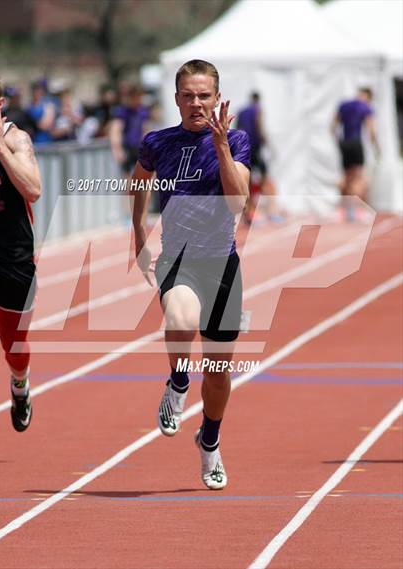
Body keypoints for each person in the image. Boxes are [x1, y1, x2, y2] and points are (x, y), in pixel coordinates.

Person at [131, 60, 250, 489]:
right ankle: (178, 381)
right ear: (176, 97)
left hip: (221, 263)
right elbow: (139, 181)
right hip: (178, 258)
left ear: (217, 97)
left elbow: (238, 203)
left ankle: (210, 442)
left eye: (204, 95)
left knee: (218, 374)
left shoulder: (236, 140)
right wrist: (138, 233)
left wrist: (219, 147)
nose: (196, 102)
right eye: (188, 95)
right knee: (179, 321)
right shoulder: (157, 142)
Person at [0, 69, 41, 431]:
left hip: (15, 257)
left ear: (0, 106)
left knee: (15, 345)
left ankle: (20, 386)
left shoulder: (16, 139)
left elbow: (33, 189)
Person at [331, 87, 381, 221]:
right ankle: (358, 210)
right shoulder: (364, 107)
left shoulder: (344, 104)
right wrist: (376, 146)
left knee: (346, 177)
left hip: (344, 143)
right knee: (358, 177)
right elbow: (371, 129)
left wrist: (339, 143)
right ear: (368, 97)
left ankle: (343, 211)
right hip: (356, 143)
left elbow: (333, 126)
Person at [236, 92, 280, 223]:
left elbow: (237, 128)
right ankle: (270, 211)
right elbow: (258, 125)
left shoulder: (242, 111)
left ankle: (247, 213)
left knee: (246, 180)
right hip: (255, 146)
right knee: (265, 176)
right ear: (258, 100)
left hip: (243, 147)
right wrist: (265, 141)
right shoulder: (257, 109)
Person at [109, 84, 150, 175]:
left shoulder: (143, 111)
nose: (138, 100)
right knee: (127, 178)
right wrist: (117, 149)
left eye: (139, 97)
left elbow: (145, 129)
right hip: (127, 148)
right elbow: (115, 130)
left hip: (139, 148)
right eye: (135, 97)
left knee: (146, 178)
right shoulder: (123, 111)